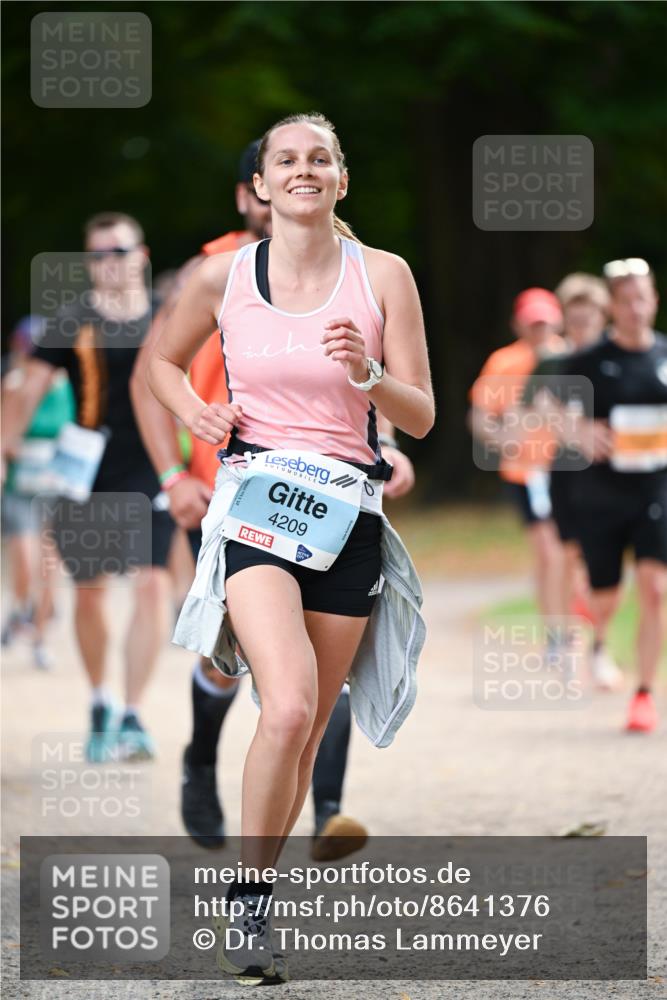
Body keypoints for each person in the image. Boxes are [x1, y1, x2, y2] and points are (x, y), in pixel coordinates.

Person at [147, 112, 433, 983]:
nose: (302, 170)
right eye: (285, 159)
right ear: (261, 185)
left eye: (319, 159)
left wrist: (369, 376)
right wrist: (195, 413)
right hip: (256, 508)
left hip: (348, 516)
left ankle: (256, 897)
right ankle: (246, 908)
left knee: (304, 735)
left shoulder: (383, 274)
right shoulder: (223, 275)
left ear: (340, 179)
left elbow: (422, 414)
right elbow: (159, 363)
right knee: (287, 707)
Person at [0, 213, 175, 761]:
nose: (107, 263)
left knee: (152, 584)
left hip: (153, 464)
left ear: (140, 257)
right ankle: (101, 699)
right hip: (89, 468)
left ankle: (133, 715)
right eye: (97, 255)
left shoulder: (168, 317)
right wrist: (3, 448)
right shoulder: (71, 319)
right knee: (91, 591)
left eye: (117, 252)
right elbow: (28, 389)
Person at [560, 258, 666, 732]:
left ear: (654, 300)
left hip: (656, 490)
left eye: (642, 298)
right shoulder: (587, 362)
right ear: (613, 307)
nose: (635, 308)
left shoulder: (664, 355)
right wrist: (579, 431)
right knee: (607, 597)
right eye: (625, 301)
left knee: (655, 589)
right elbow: (551, 411)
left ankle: (643, 694)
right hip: (601, 495)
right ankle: (594, 614)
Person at [522, 274, 623, 687]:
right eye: (575, 319)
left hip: (613, 474)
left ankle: (601, 645)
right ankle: (564, 640)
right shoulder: (552, 363)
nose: (582, 327)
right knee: (565, 556)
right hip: (564, 472)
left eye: (590, 319)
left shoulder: (618, 360)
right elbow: (532, 411)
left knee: (605, 561)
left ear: (603, 317)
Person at [470, 289, 565, 636]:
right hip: (526, 473)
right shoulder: (504, 362)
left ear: (557, 321)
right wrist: (502, 440)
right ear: (518, 324)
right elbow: (479, 417)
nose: (540, 329)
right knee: (548, 551)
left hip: (569, 472)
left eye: (545, 322)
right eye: (533, 323)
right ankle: (556, 633)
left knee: (569, 555)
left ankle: (569, 626)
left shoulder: (571, 357)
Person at [1, 315, 75, 668]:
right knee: (24, 557)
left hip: (56, 485)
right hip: (21, 484)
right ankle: (21, 608)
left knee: (49, 562)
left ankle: (40, 635)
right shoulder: (14, 384)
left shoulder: (68, 386)